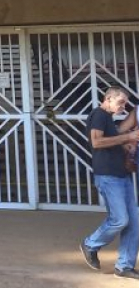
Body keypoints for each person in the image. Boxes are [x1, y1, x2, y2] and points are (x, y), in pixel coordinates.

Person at [80, 86, 139, 279]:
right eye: (120, 102)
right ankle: (90, 244)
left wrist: (127, 147)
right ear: (108, 99)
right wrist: (128, 137)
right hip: (108, 176)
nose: (123, 106)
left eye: (125, 103)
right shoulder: (99, 115)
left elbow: (112, 142)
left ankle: (124, 266)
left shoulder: (110, 120)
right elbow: (96, 142)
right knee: (120, 219)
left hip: (122, 175)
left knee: (134, 223)